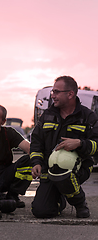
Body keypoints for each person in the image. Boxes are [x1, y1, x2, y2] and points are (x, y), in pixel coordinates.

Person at [30, 76, 98, 218]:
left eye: (56, 92)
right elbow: (36, 142)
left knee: (63, 175)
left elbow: (96, 144)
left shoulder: (87, 117)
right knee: (41, 211)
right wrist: (36, 163)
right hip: (50, 170)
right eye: (52, 92)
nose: (52, 96)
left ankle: (79, 202)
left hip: (79, 168)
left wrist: (80, 143)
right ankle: (59, 199)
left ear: (70, 94)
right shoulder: (47, 116)